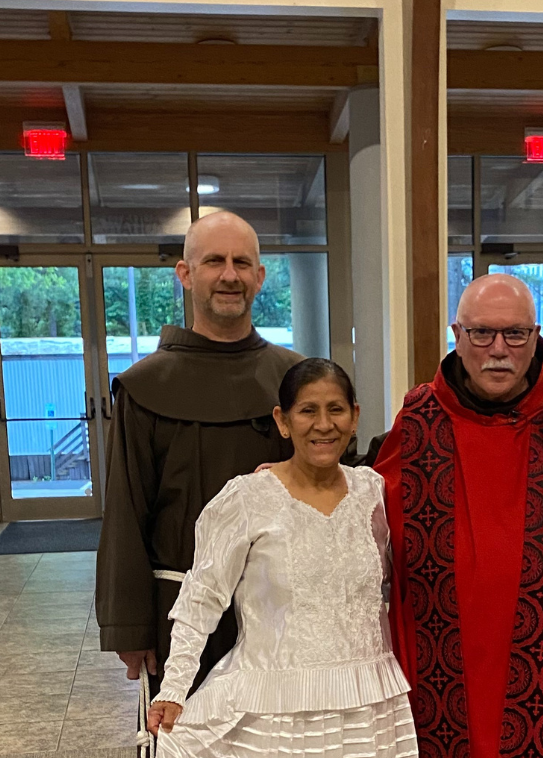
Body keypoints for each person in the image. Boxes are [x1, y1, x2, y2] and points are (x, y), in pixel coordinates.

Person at [375, 274, 543, 758]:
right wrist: (294, 480)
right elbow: (363, 510)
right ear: (457, 335)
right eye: (482, 333)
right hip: (438, 666)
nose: (499, 349)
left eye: (515, 333)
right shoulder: (419, 420)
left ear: (536, 338)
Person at [95, 212, 303, 739]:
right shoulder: (146, 386)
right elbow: (125, 511)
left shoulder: (295, 379)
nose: (229, 275)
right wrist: (130, 625)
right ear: (186, 274)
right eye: (214, 261)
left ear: (261, 276)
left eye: (241, 263)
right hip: (180, 615)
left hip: (282, 612)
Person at [146, 359, 418, 758]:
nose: (323, 424)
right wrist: (174, 687)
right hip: (272, 710)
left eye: (336, 409)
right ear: (283, 420)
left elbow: (410, 577)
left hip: (369, 703)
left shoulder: (374, 493)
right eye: (308, 410)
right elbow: (201, 598)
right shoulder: (248, 498)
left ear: (355, 417)